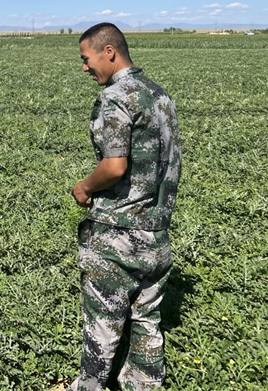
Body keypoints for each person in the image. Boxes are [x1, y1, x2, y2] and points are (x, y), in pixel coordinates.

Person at [66, 23, 181, 391]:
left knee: (102, 324)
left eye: (87, 58)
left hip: (120, 236)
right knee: (146, 320)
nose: (85, 67)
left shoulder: (118, 96)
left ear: (109, 52)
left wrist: (84, 188)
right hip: (157, 234)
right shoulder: (158, 94)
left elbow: (115, 166)